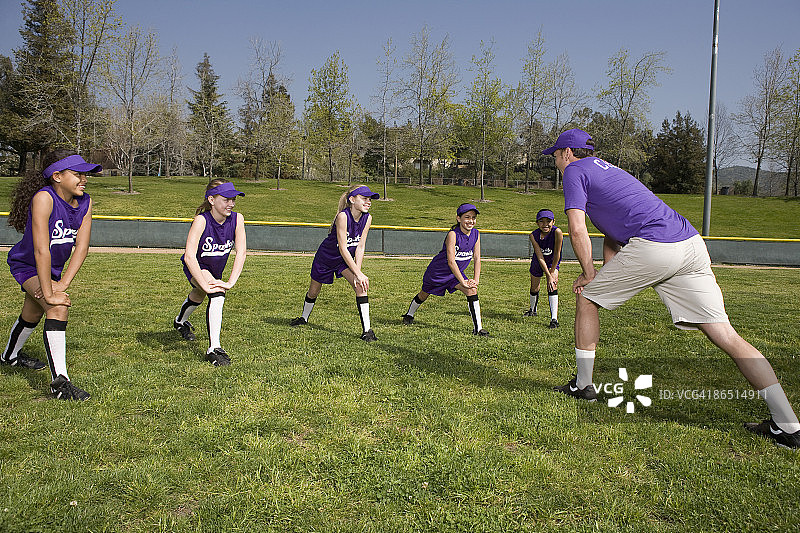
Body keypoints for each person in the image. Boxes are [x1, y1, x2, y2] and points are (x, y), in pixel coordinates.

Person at [545, 128, 800, 449]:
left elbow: (577, 227)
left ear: (568, 153)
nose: (555, 160)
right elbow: (613, 234)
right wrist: (606, 272)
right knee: (726, 335)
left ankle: (583, 386)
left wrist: (589, 273)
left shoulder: (574, 172)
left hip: (656, 245)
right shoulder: (611, 172)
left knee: (587, 298)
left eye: (555, 154)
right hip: (690, 243)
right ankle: (788, 425)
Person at [2, 150, 102, 400]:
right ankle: (61, 384)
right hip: (28, 265)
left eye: (85, 175)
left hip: (53, 269)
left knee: (32, 312)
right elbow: (40, 250)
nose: (84, 179)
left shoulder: (86, 202)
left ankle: (9, 357)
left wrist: (62, 282)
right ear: (57, 176)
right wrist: (49, 292)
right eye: (77, 174)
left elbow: (82, 246)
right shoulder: (44, 198)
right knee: (57, 308)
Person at [290, 185, 378, 342]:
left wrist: (358, 272)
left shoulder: (368, 218)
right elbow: (343, 248)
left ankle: (367, 331)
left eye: (369, 199)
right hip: (327, 257)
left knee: (361, 286)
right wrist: (357, 273)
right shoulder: (343, 217)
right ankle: (303, 318)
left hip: (344, 261)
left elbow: (360, 246)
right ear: (352, 199)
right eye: (364, 198)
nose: (368, 202)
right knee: (313, 292)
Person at [173, 179, 247, 366]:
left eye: (233, 199)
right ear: (212, 200)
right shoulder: (201, 220)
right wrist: (207, 284)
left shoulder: (238, 219)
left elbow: (242, 252)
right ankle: (214, 349)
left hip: (215, 269)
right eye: (226, 199)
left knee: (198, 295)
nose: (231, 203)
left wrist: (231, 282)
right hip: (198, 266)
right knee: (216, 294)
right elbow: (189, 256)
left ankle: (180, 322)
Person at [402, 203, 489, 336]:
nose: (471, 221)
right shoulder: (453, 234)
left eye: (473, 217)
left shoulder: (476, 234)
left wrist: (475, 280)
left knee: (472, 290)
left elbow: (477, 258)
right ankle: (409, 315)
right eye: (467, 217)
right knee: (424, 294)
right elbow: (451, 261)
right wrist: (463, 281)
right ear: (458, 218)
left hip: (455, 275)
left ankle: (478, 329)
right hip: (438, 272)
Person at [523, 209, 563, 328]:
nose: (545, 224)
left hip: (552, 262)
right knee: (534, 287)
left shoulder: (557, 232)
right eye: (542, 221)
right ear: (537, 223)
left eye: (548, 221)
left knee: (552, 285)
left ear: (553, 222)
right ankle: (532, 310)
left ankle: (554, 319)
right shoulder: (533, 235)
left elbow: (557, 254)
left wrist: (551, 274)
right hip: (538, 261)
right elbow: (539, 255)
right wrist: (547, 274)